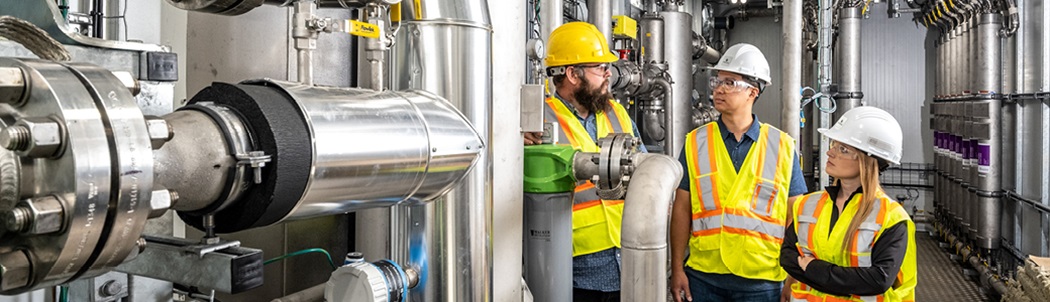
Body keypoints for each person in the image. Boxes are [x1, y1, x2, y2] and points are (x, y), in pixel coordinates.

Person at [669, 43, 809, 302]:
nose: (719, 89)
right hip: (703, 275)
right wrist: (677, 268)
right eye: (717, 81)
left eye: (730, 82)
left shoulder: (782, 146)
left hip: (762, 279)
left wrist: (794, 276)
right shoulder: (695, 141)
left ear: (753, 92)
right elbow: (682, 208)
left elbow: (796, 217)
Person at [523, 22, 645, 302]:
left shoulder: (615, 112)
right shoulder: (536, 121)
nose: (608, 75)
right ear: (572, 74)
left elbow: (643, 166)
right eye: (600, 68)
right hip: (570, 269)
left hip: (624, 260)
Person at [779, 106, 917, 302]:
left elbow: (878, 279)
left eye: (843, 149)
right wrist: (843, 281)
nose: (830, 153)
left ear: (867, 159)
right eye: (834, 145)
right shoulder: (807, 204)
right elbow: (787, 257)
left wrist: (812, 268)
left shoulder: (891, 217)